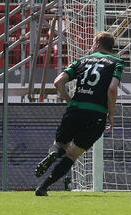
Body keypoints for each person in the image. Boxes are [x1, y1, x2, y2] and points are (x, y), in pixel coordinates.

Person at [34, 32, 124, 196]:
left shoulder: (82, 60)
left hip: (75, 110)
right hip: (96, 114)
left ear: (97, 43)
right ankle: (43, 187)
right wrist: (112, 113)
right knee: (73, 154)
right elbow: (112, 89)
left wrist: (68, 99)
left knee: (60, 144)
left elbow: (58, 82)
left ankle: (53, 153)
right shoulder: (117, 62)